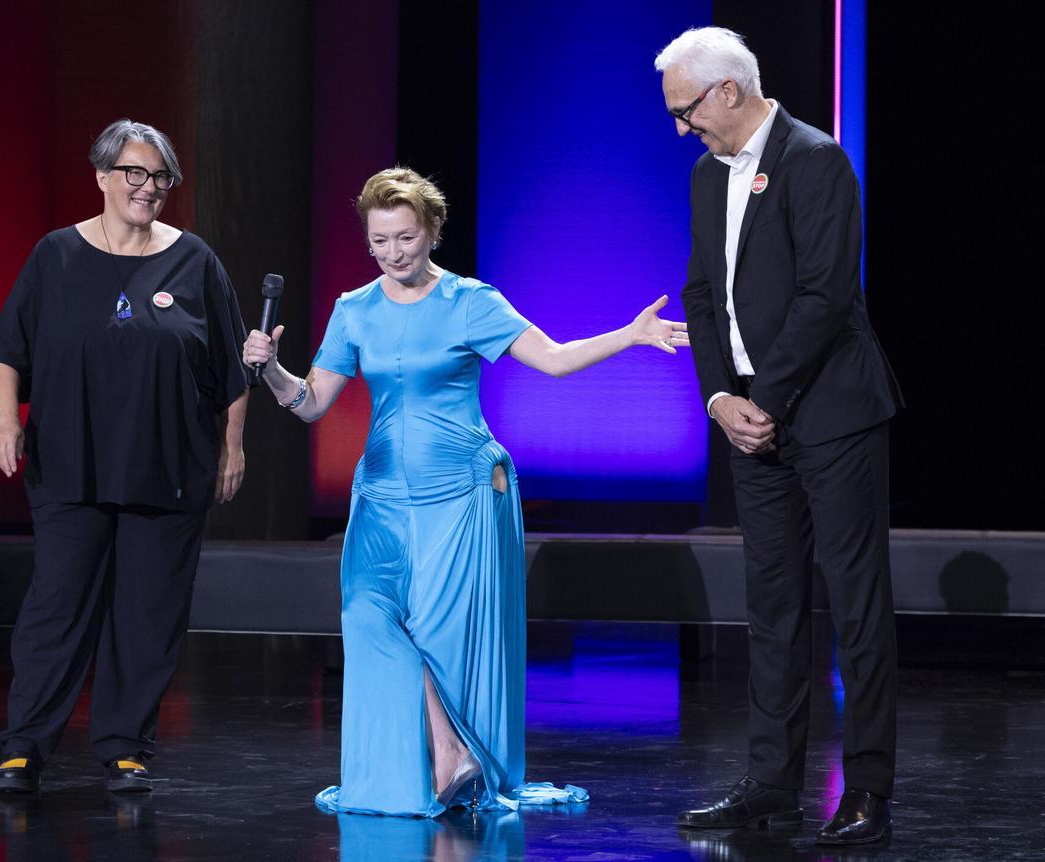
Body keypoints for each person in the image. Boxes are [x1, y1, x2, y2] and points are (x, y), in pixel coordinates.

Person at [244, 167, 688, 817]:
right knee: (368, 614)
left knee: (439, 634)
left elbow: (554, 360)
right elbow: (310, 403)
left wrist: (631, 335)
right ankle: (445, 753)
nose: (393, 253)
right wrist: (271, 371)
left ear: (432, 230)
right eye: (379, 241)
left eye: (405, 237)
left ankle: (451, 756)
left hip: (462, 492)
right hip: (382, 495)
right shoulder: (354, 309)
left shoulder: (470, 302)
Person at [654, 28, 903, 844]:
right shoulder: (705, 175)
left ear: (728, 90)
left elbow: (825, 297)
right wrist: (720, 398)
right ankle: (771, 785)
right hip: (749, 424)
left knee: (857, 607)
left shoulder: (816, 160)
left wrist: (762, 397)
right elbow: (700, 295)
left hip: (832, 417)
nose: (681, 128)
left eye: (686, 109)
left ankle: (867, 791)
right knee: (773, 607)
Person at [0, 119, 252, 794]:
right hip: (70, 464)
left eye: (160, 176)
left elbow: (231, 369)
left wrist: (231, 447)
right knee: (56, 607)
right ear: (103, 176)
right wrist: (4, 421)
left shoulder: (195, 260)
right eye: (135, 172)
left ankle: (125, 747)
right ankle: (24, 748)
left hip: (169, 467)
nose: (148, 187)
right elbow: (7, 350)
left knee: (147, 613)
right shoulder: (55, 255)